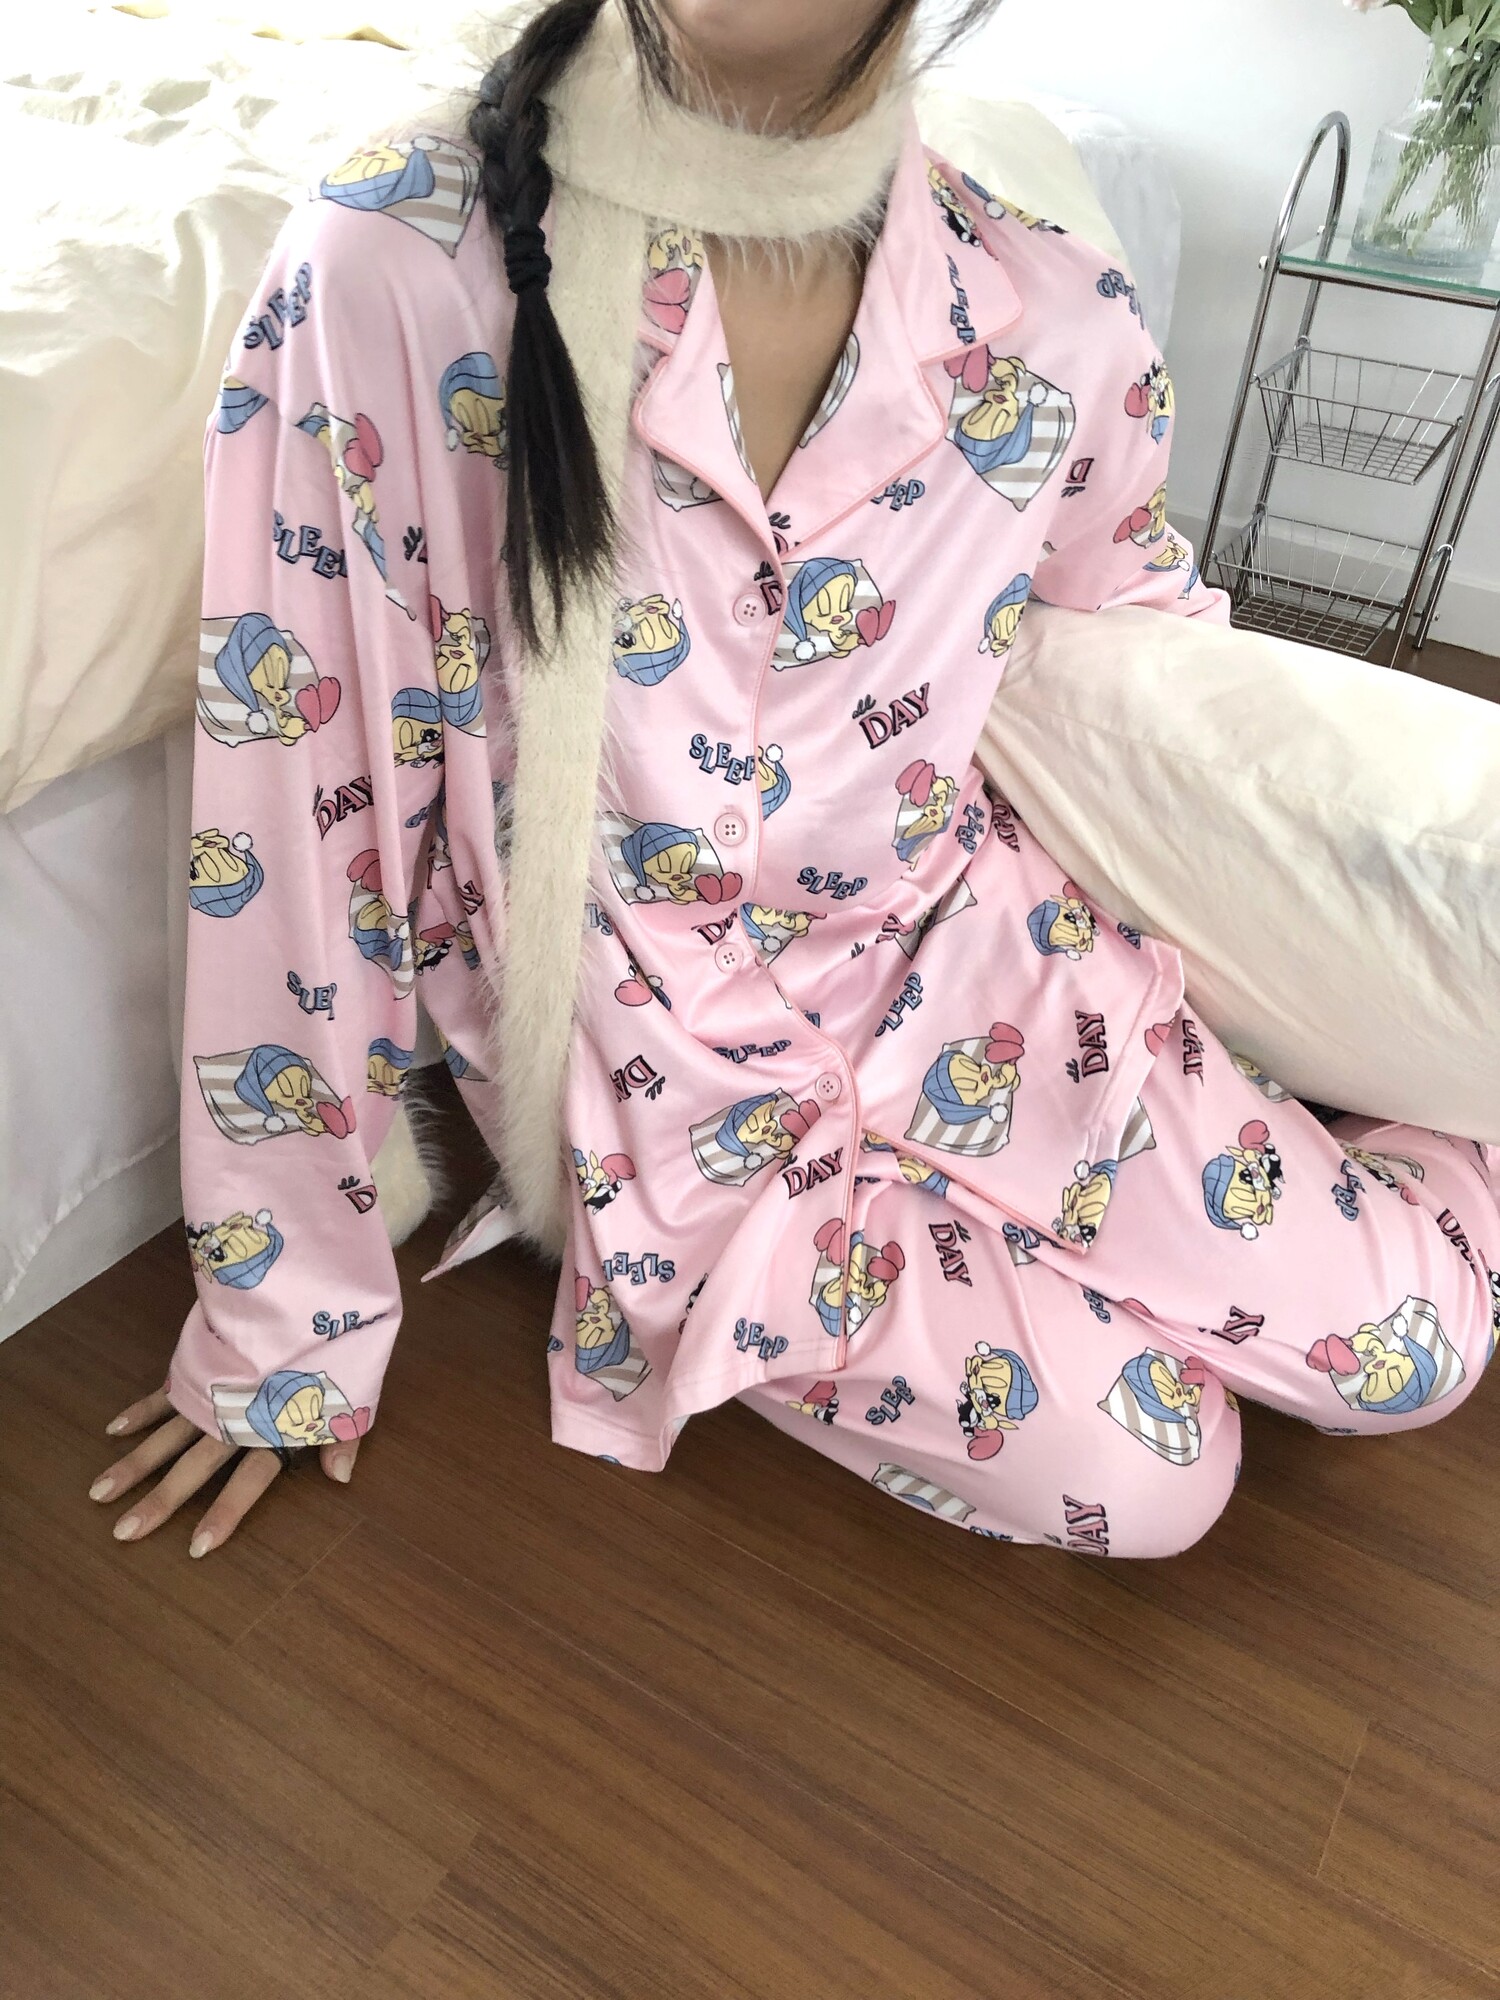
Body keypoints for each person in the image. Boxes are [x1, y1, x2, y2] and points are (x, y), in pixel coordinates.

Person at [89, 0, 1499, 1561]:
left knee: (1413, 1355)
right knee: (1149, 1478)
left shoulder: (1054, 315)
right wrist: (280, 1329)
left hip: (978, 961)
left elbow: (1150, 701)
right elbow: (300, 793)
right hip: (660, 1087)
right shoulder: (399, 265)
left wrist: (1368, 994)